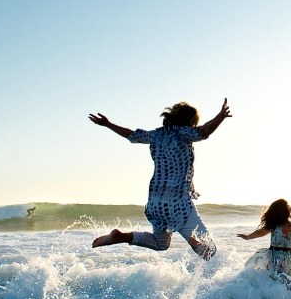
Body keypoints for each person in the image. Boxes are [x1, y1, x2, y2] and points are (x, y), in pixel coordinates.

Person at [89, 99, 232, 259]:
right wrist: (220, 116)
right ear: (190, 121)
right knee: (209, 250)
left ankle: (121, 236)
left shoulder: (156, 135)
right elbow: (203, 131)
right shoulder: (183, 133)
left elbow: (131, 135)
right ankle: (209, 278)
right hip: (178, 202)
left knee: (160, 244)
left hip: (156, 203)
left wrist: (108, 124)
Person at [238, 199, 291, 280]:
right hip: (284, 257)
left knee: (274, 278)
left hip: (273, 256)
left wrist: (248, 237)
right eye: (288, 207)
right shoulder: (286, 224)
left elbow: (260, 232)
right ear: (284, 211)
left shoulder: (273, 224)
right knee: (285, 280)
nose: (290, 208)